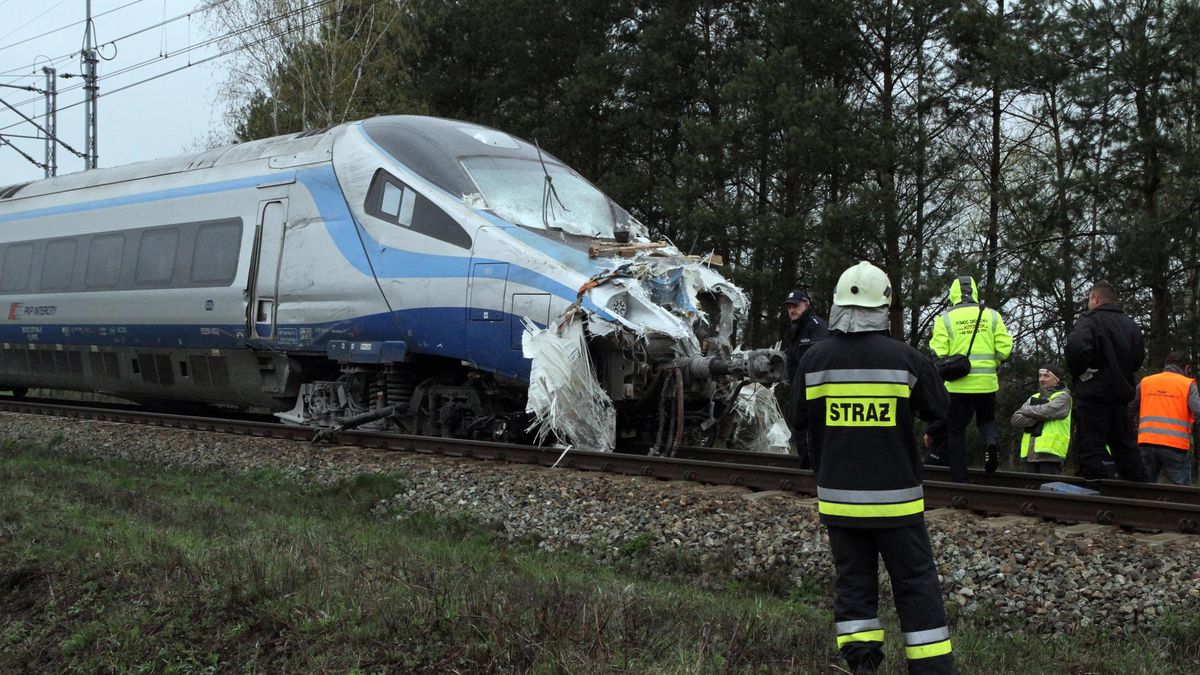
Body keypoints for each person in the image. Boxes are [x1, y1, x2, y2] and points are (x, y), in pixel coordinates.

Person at [789, 261, 956, 675]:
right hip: (897, 503)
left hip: (840, 503)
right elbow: (940, 411)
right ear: (883, 305)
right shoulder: (907, 359)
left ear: (839, 303)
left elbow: (797, 418)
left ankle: (862, 665)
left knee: (854, 585)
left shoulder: (814, 360)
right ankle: (933, 670)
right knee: (916, 584)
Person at [929, 275, 1013, 482]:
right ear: (974, 292)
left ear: (953, 294)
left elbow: (938, 352)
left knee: (955, 431)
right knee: (986, 420)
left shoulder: (945, 318)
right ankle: (991, 442)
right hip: (986, 383)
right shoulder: (992, 316)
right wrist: (994, 363)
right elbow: (1005, 349)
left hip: (957, 385)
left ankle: (960, 479)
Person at [1064, 280, 1148, 481]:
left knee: (1090, 447)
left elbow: (1076, 347)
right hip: (1121, 397)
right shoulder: (1130, 325)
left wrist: (1080, 371)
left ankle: (1094, 489)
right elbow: (1138, 358)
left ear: (1095, 298)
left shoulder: (1090, 321)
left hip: (1094, 395)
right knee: (1125, 447)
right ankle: (1139, 491)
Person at [1133, 352, 1198, 485]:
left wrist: (1133, 430)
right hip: (1175, 445)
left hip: (1146, 443)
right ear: (1186, 369)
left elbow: (1129, 407)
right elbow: (1198, 411)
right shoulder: (1187, 384)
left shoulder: (1146, 382)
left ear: (1166, 365)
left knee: (1144, 489)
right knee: (1181, 494)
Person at [782, 288, 829, 467]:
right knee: (801, 434)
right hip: (798, 389)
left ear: (807, 304)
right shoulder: (795, 329)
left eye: (796, 305)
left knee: (811, 437)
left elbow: (820, 361)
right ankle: (804, 477)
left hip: (813, 392)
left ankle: (811, 476)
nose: (792, 310)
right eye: (789, 307)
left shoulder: (817, 327)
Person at [1009, 364, 1072, 475]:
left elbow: (1047, 411)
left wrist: (1027, 411)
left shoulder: (1064, 397)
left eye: (1046, 376)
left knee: (1048, 490)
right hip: (1030, 454)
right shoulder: (1035, 396)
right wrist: (1041, 416)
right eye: (1040, 376)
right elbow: (1015, 419)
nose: (1042, 379)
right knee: (1029, 490)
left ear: (1056, 380)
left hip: (1050, 454)